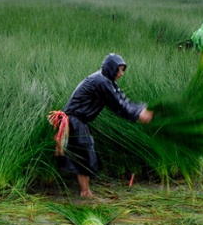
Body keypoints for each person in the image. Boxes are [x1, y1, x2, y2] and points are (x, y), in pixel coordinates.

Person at [48, 54, 153, 198]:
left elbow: (122, 99)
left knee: (85, 152)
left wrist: (141, 109)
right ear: (111, 68)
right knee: (84, 154)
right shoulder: (100, 81)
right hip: (74, 120)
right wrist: (138, 115)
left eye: (123, 70)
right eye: (119, 70)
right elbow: (118, 105)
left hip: (79, 120)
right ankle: (85, 192)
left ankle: (86, 191)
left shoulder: (106, 80)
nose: (121, 74)